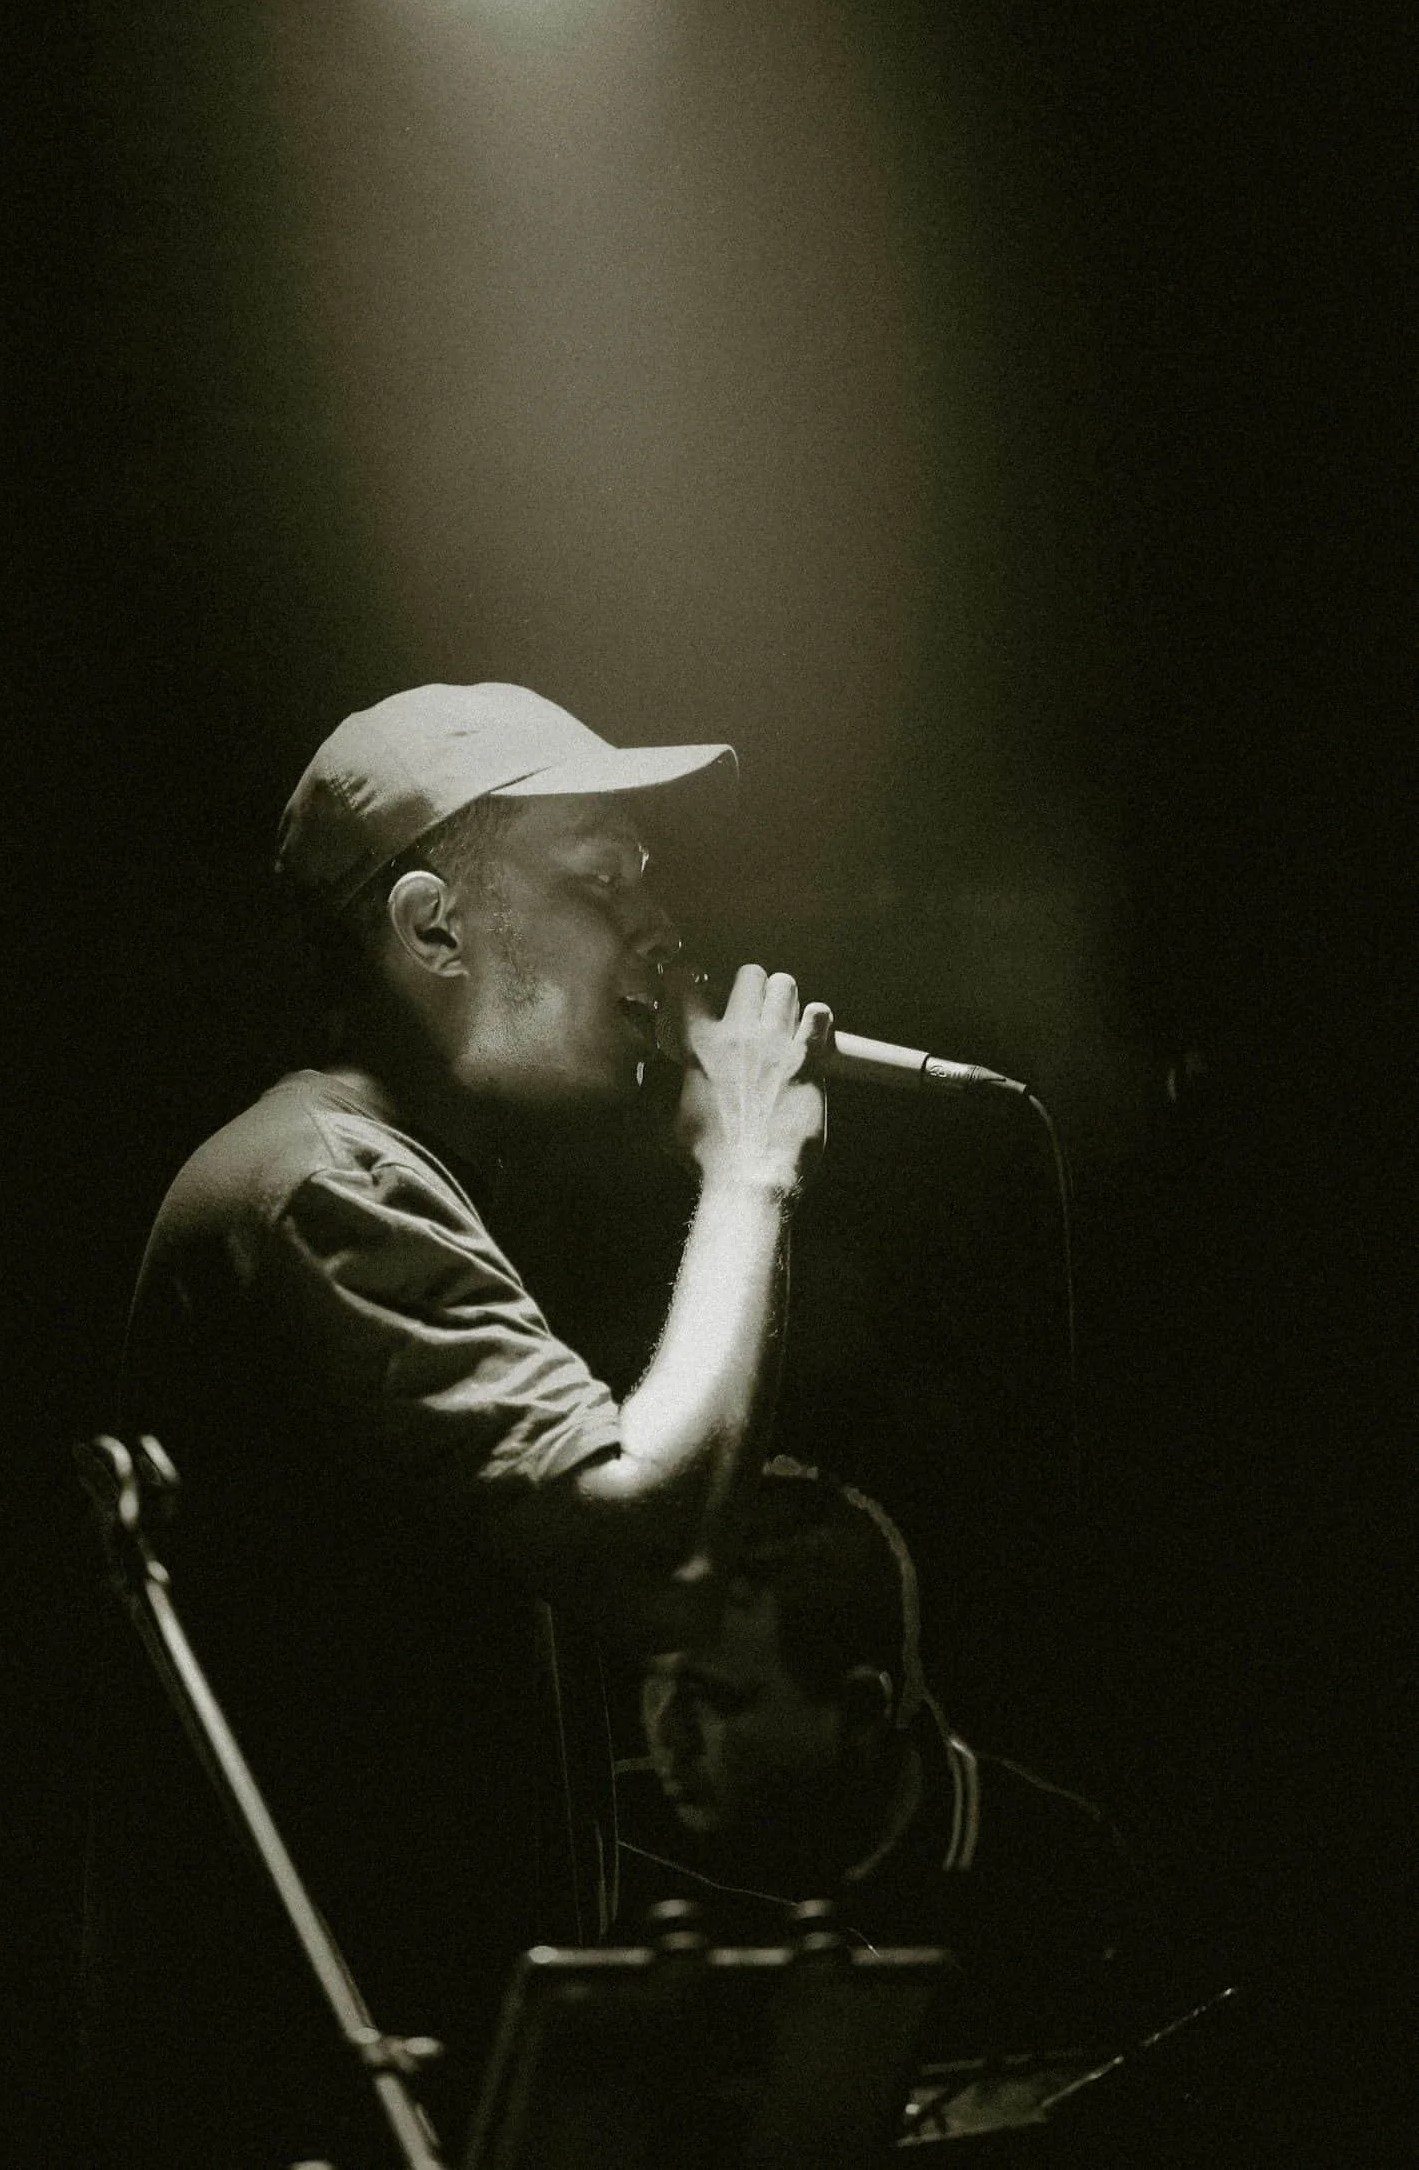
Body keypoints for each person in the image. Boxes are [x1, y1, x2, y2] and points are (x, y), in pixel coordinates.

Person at [79, 682, 831, 2170]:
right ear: (430, 926)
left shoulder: (388, 1182)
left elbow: (654, 1561)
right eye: (604, 879)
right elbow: (641, 1533)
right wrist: (748, 1170)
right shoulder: (319, 1190)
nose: (662, 929)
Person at [623, 1460, 1162, 2063]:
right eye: (654, 1684)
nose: (665, 1731)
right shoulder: (628, 1848)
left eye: (714, 1699)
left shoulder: (1048, 1868)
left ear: (859, 1711)